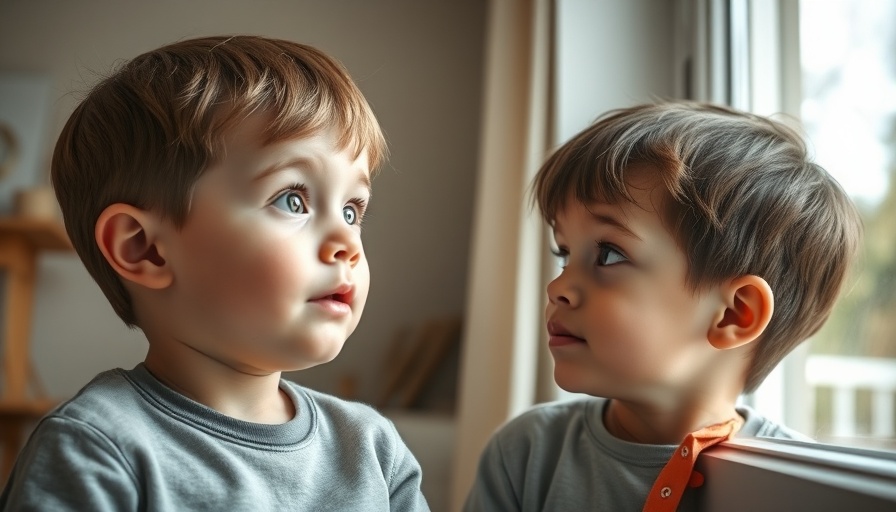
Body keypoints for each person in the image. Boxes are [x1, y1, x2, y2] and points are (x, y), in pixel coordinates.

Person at [0, 35, 429, 511]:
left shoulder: (373, 450)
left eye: (352, 210)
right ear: (144, 249)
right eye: (293, 199)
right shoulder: (97, 449)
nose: (346, 244)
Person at [464, 101, 863, 512]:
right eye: (565, 253)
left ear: (733, 315)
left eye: (609, 255)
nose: (559, 286)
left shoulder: (801, 487)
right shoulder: (527, 454)